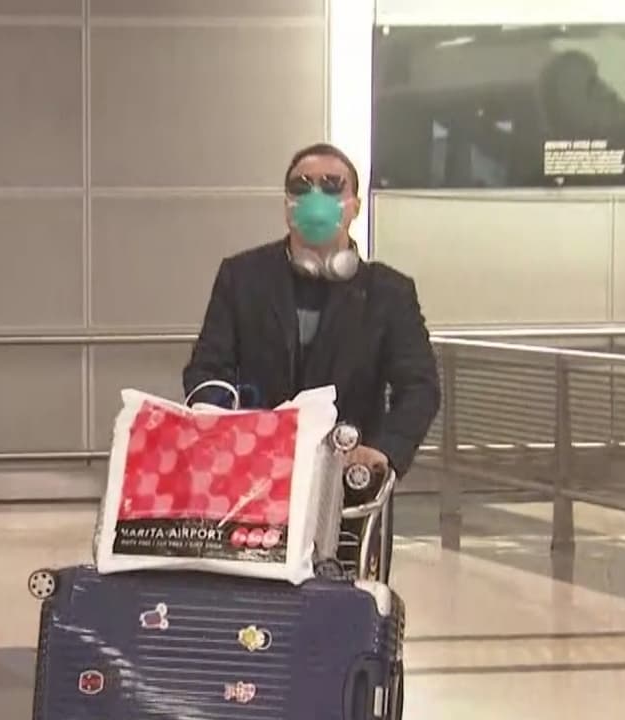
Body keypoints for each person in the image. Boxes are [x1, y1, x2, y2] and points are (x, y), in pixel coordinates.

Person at [183, 142, 441, 577]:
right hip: (251, 479)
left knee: (344, 600)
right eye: (301, 187)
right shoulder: (242, 278)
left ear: (354, 205)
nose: (315, 196)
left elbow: (420, 386)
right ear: (287, 206)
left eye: (331, 185)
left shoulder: (389, 293)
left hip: (348, 484)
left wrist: (384, 451)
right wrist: (221, 427)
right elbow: (207, 368)